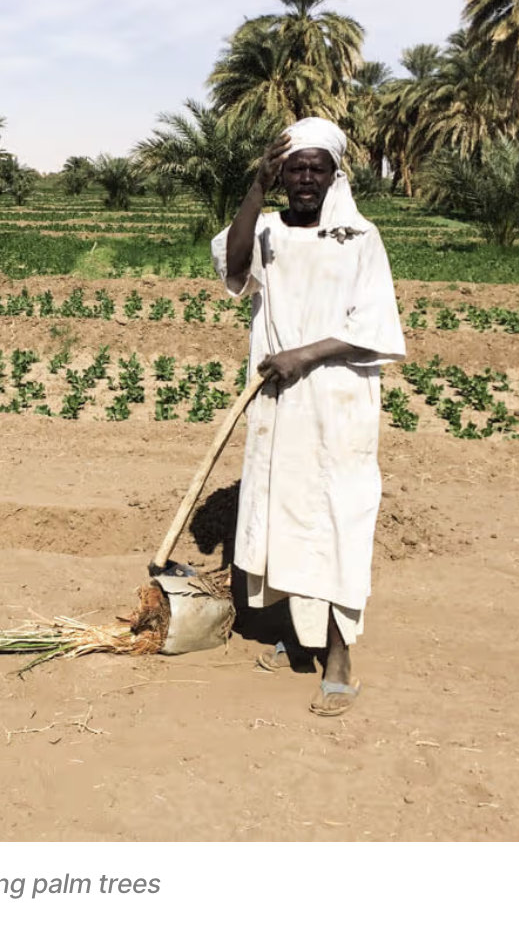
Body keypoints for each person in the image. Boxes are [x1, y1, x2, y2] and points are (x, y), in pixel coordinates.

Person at [210, 117, 405, 717]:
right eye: (294, 168)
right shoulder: (266, 231)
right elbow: (233, 270)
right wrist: (253, 190)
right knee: (289, 514)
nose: (305, 179)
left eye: (316, 168)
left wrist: (305, 353)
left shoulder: (360, 239)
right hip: (280, 401)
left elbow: (374, 328)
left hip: (339, 399)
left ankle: (340, 655)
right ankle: (299, 633)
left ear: (334, 174)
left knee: (341, 516)